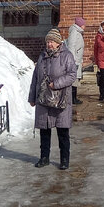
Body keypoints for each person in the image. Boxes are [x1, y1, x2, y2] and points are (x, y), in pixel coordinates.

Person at [29, 29, 77, 169]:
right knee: (45, 130)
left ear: (58, 42)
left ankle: (64, 160)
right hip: (44, 100)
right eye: (48, 41)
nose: (49, 44)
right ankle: (44, 158)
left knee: (62, 132)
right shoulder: (42, 56)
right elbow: (35, 78)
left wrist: (56, 84)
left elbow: (72, 75)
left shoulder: (67, 56)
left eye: (52, 41)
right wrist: (32, 97)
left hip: (61, 99)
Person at [66, 16, 86, 105]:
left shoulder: (78, 32)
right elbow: (71, 46)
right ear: (80, 25)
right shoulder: (75, 32)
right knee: (74, 79)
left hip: (77, 59)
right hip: (74, 60)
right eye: (83, 24)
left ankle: (74, 98)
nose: (85, 26)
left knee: (76, 79)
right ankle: (72, 99)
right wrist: (73, 59)